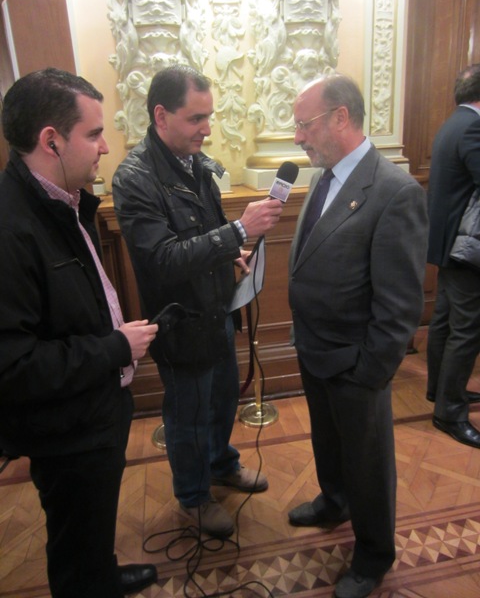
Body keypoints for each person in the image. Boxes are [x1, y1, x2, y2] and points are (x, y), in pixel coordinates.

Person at [0, 68, 159, 598]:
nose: (105, 147)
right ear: (51, 140)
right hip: (65, 429)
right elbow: (15, 365)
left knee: (91, 523)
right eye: (93, 134)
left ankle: (102, 572)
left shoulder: (61, 200)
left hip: (92, 409)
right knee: (73, 538)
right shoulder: (11, 228)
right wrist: (115, 346)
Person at [112, 64, 284, 539]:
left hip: (217, 311)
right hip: (179, 323)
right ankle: (192, 497)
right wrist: (237, 231)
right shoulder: (134, 178)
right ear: (161, 115)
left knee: (223, 398)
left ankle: (220, 462)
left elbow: (204, 237)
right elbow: (162, 260)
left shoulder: (197, 164)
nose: (207, 129)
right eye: (196, 119)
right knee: (187, 415)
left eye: (210, 117)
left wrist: (233, 251)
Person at [287, 74, 428, 598]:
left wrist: (371, 374)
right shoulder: (323, 178)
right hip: (315, 350)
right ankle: (333, 500)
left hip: (356, 364)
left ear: (341, 117)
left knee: (369, 463)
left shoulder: (394, 192)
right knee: (328, 441)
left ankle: (372, 555)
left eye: (305, 124)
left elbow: (399, 306)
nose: (299, 136)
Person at [426, 63, 480, 448]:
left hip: (445, 243)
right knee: (466, 329)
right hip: (465, 247)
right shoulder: (473, 127)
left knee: (444, 321)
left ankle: (439, 390)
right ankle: (450, 412)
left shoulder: (453, 124)